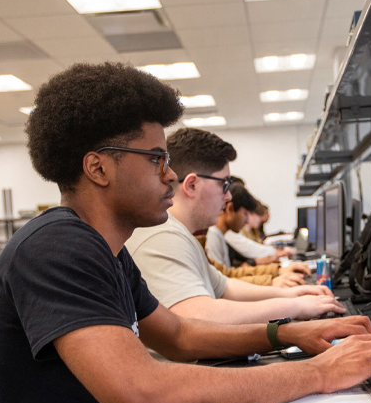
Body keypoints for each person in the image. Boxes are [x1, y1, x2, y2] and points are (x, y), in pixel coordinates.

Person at [0, 62, 371, 403]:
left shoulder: (107, 251)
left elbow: (179, 336)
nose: (169, 174)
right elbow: (148, 398)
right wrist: (320, 372)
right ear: (98, 168)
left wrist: (287, 333)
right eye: (156, 159)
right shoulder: (57, 248)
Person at [126, 128, 338, 324]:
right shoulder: (162, 237)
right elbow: (199, 316)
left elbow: (226, 287)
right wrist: (294, 307)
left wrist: (291, 294)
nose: (228, 196)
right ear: (191, 185)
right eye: (223, 184)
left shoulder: (181, 234)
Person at [204, 184, 303, 288]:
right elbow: (223, 284)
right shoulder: (212, 237)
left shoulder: (219, 236)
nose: (247, 220)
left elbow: (228, 275)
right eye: (245, 214)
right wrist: (271, 281)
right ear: (230, 209)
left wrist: (276, 271)